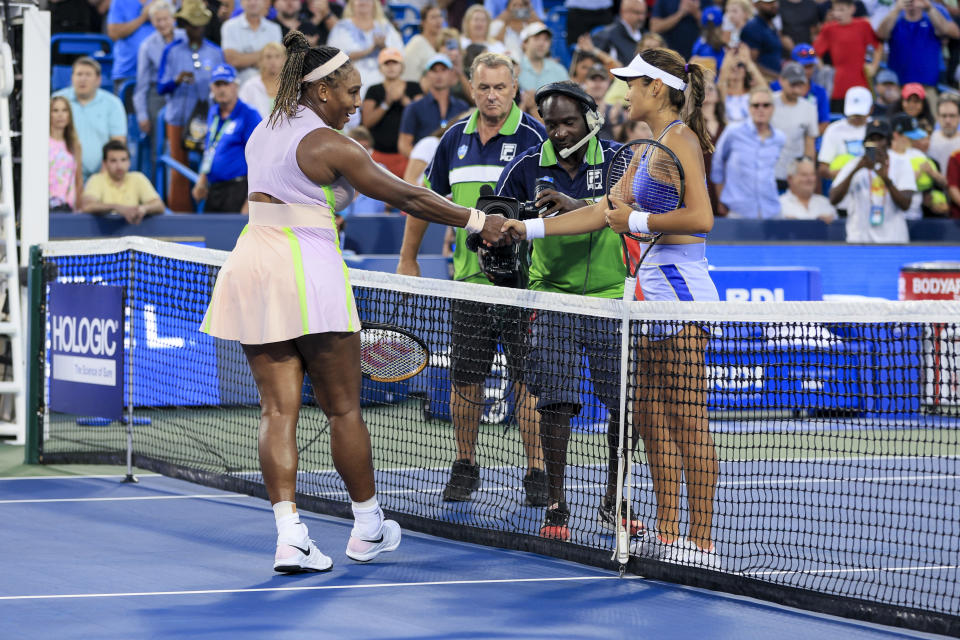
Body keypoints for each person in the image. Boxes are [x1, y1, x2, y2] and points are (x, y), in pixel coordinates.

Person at [201, 32, 511, 573]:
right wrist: (483, 221)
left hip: (252, 266)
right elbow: (409, 195)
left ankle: (288, 535)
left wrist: (329, 200)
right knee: (343, 407)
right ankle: (367, 528)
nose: (355, 103)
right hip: (306, 274)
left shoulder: (261, 132)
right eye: (349, 91)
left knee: (276, 411)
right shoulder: (331, 144)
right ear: (321, 92)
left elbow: (301, 193)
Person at [502, 47, 721, 569]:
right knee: (649, 418)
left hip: (678, 292)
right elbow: (602, 213)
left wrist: (638, 224)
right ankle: (670, 536)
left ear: (658, 90)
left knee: (687, 419)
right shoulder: (645, 148)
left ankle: (703, 541)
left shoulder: (681, 140)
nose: (624, 91)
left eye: (634, 83)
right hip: (643, 295)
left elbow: (703, 218)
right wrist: (525, 227)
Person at [396, 52, 548, 506]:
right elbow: (424, 198)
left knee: (529, 382)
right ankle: (465, 464)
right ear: (471, 88)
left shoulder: (535, 137)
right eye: (484, 87)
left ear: (515, 87)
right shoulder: (453, 139)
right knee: (466, 380)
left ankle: (537, 472)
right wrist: (408, 258)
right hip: (468, 285)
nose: (492, 95)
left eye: (501, 87)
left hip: (525, 287)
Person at [495, 82, 632, 541]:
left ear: (591, 120)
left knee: (624, 406)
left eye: (567, 122)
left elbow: (626, 211)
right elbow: (495, 218)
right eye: (550, 123)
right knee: (555, 403)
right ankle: (557, 504)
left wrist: (577, 207)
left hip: (612, 298)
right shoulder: (528, 167)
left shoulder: (619, 161)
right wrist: (493, 234)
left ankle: (616, 499)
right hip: (551, 297)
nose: (557, 132)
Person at [157, 0, 226, 212]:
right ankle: (179, 214)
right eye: (190, 24)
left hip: (208, 119)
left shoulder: (215, 53)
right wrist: (175, 81)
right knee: (178, 169)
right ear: (184, 26)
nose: (195, 29)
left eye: (198, 25)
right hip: (178, 117)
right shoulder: (172, 51)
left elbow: (222, 83)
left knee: (210, 166)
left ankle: (210, 210)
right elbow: (160, 87)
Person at [829, 117, 916, 243]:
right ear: (865, 143)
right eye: (871, 139)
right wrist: (856, 170)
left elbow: (906, 204)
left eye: (880, 139)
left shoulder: (902, 164)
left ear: (889, 141)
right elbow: (833, 198)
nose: (876, 143)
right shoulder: (854, 164)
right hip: (859, 239)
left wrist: (886, 180)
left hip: (893, 240)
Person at [192, 64, 262, 212]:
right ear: (212, 87)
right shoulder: (213, 112)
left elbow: (259, 159)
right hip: (214, 188)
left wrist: (251, 200)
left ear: (235, 86)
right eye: (218, 84)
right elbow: (210, 147)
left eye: (226, 84)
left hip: (238, 189)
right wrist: (202, 180)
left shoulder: (249, 115)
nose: (222, 89)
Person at [712, 86, 785, 217]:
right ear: (749, 108)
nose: (760, 109)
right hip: (737, 209)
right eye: (755, 105)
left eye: (766, 105)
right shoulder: (733, 131)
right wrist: (720, 198)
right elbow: (717, 164)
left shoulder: (779, 138)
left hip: (771, 209)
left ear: (772, 108)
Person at [52, 57, 127, 181]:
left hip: (102, 174)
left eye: (88, 75)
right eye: (79, 74)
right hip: (62, 173)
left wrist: (100, 179)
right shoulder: (57, 100)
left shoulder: (113, 103)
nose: (83, 79)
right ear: (72, 78)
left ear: (98, 80)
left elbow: (117, 142)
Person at [362, 49, 424, 176]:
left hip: (408, 155)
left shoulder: (414, 87)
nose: (391, 67)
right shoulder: (374, 90)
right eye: (386, 63)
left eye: (394, 63)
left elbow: (423, 117)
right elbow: (367, 122)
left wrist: (406, 102)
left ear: (402, 67)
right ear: (380, 68)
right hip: (380, 155)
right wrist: (386, 103)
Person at [876, 0, 959, 92]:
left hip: (928, 83)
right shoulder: (894, 12)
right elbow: (881, 35)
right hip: (898, 83)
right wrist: (896, 10)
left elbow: (951, 31)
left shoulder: (935, 9)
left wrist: (929, 8)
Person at [812, 0, 880, 112]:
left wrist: (874, 66)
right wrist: (823, 69)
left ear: (852, 9)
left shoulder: (863, 25)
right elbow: (813, 52)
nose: (838, 14)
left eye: (841, 10)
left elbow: (878, 46)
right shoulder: (828, 29)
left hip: (861, 83)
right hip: (837, 87)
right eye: (835, 10)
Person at [397, 55, 467, 160]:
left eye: (443, 70)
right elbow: (404, 145)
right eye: (434, 70)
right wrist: (425, 162)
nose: (439, 75)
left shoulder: (462, 107)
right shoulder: (414, 108)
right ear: (427, 75)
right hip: (425, 171)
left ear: (451, 74)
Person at [327, 0, 404, 93]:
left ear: (375, 3)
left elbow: (400, 56)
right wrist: (369, 50)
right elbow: (333, 58)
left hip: (383, 85)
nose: (363, 1)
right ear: (351, 3)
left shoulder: (386, 27)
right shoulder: (341, 27)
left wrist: (383, 47)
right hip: (350, 83)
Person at [135, 1, 183, 146]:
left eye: (166, 19)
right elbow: (141, 85)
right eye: (158, 20)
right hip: (158, 94)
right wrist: (142, 115)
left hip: (183, 91)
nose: (162, 24)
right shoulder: (147, 46)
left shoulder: (186, 37)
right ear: (152, 22)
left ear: (173, 19)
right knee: (158, 145)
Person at [81, 140, 165, 222]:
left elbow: (159, 205)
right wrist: (116, 207)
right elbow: (87, 205)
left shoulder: (138, 178)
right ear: (105, 163)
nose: (119, 166)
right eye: (113, 161)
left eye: (123, 160)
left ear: (129, 162)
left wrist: (143, 209)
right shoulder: (96, 179)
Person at [771, 62, 818, 190]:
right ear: (781, 81)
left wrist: (807, 173)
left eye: (800, 85)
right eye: (793, 85)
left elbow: (810, 144)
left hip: (794, 176)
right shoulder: (768, 103)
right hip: (769, 172)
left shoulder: (809, 108)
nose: (797, 90)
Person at [890, 112, 944, 220]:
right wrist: (916, 174)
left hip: (916, 215)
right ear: (896, 135)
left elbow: (940, 181)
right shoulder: (886, 157)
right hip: (893, 217)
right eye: (910, 136)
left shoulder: (918, 154)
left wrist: (932, 174)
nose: (913, 140)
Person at [221, 0, 283, 85]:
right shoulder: (229, 26)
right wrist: (265, 55)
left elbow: (276, 62)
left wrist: (244, 58)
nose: (253, 2)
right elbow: (232, 60)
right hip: (240, 87)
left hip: (269, 88)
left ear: (264, 2)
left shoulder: (274, 28)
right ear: (242, 2)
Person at [818, 86, 872, 181]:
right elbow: (823, 168)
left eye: (860, 114)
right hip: (842, 188)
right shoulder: (833, 130)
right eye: (853, 113)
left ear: (871, 109)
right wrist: (848, 174)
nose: (856, 117)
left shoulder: (878, 129)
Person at [106, 0, 157, 91]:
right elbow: (113, 33)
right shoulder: (120, 2)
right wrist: (143, 17)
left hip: (158, 75)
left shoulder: (165, 1)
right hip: (127, 72)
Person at [49, 96, 84, 213]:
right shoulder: (42, 143)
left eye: (64, 110)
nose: (60, 115)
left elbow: (78, 178)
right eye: (55, 110)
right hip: (45, 203)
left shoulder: (75, 144)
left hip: (67, 205)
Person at [779, 157, 838, 222]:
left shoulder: (825, 203)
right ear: (790, 179)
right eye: (804, 175)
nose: (809, 179)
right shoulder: (779, 205)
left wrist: (829, 226)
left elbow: (837, 230)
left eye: (812, 174)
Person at [717, 43, 763, 124]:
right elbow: (720, 97)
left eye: (740, 65)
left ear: (746, 70)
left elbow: (766, 91)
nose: (735, 68)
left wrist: (749, 62)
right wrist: (726, 65)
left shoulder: (753, 93)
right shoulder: (719, 92)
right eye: (731, 65)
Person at [591, 0, 648, 66]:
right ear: (623, 12)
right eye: (637, 12)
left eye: (643, 13)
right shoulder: (606, 36)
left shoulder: (646, 35)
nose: (641, 17)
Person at [239, 41, 286, 118]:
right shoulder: (250, 85)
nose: (273, 61)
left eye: (277, 56)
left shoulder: (293, 86)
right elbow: (241, 112)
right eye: (268, 57)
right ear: (261, 61)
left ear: (284, 60)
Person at [517, 23, 569, 92]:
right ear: (525, 43)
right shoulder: (514, 68)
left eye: (546, 39)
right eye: (537, 38)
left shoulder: (559, 70)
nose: (541, 43)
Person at [402, 5, 447, 83]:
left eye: (440, 16)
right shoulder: (416, 43)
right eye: (433, 17)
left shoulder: (444, 43)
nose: (438, 21)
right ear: (423, 23)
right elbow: (408, 75)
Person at [740, 0, 782, 80]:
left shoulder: (771, 24)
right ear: (756, 5)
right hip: (761, 82)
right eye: (768, 3)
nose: (774, 5)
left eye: (775, 2)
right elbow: (750, 63)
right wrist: (777, 77)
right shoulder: (753, 28)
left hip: (775, 80)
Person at [929, 93, 960, 172]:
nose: (947, 121)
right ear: (937, 117)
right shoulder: (928, 142)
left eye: (952, 116)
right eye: (944, 116)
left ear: (959, 117)